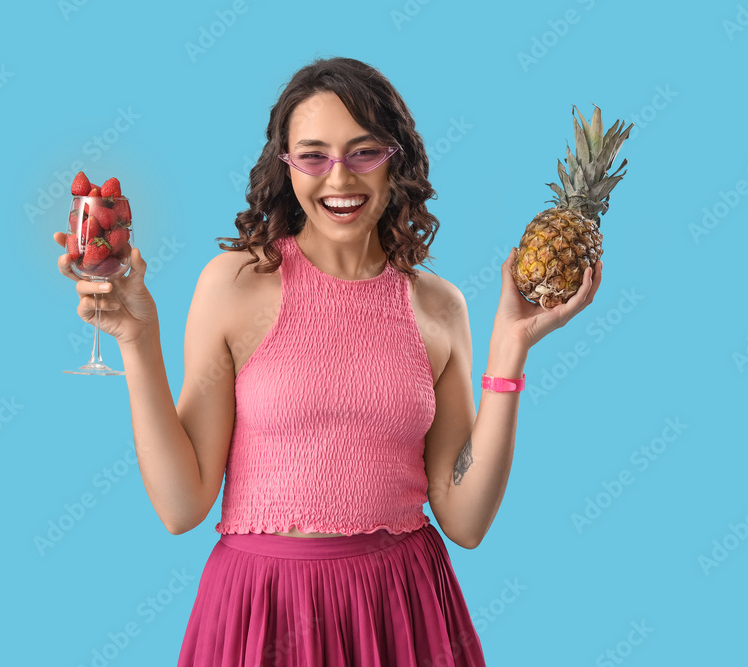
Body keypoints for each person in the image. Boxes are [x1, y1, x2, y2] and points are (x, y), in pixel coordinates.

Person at [54, 56, 600, 666]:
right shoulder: (236, 284)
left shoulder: (439, 307)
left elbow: (466, 521)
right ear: (286, 168)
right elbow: (182, 507)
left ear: (398, 161)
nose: (339, 178)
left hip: (401, 608)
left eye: (363, 152)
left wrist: (510, 351)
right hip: (260, 609)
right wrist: (137, 339)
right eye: (313, 155)